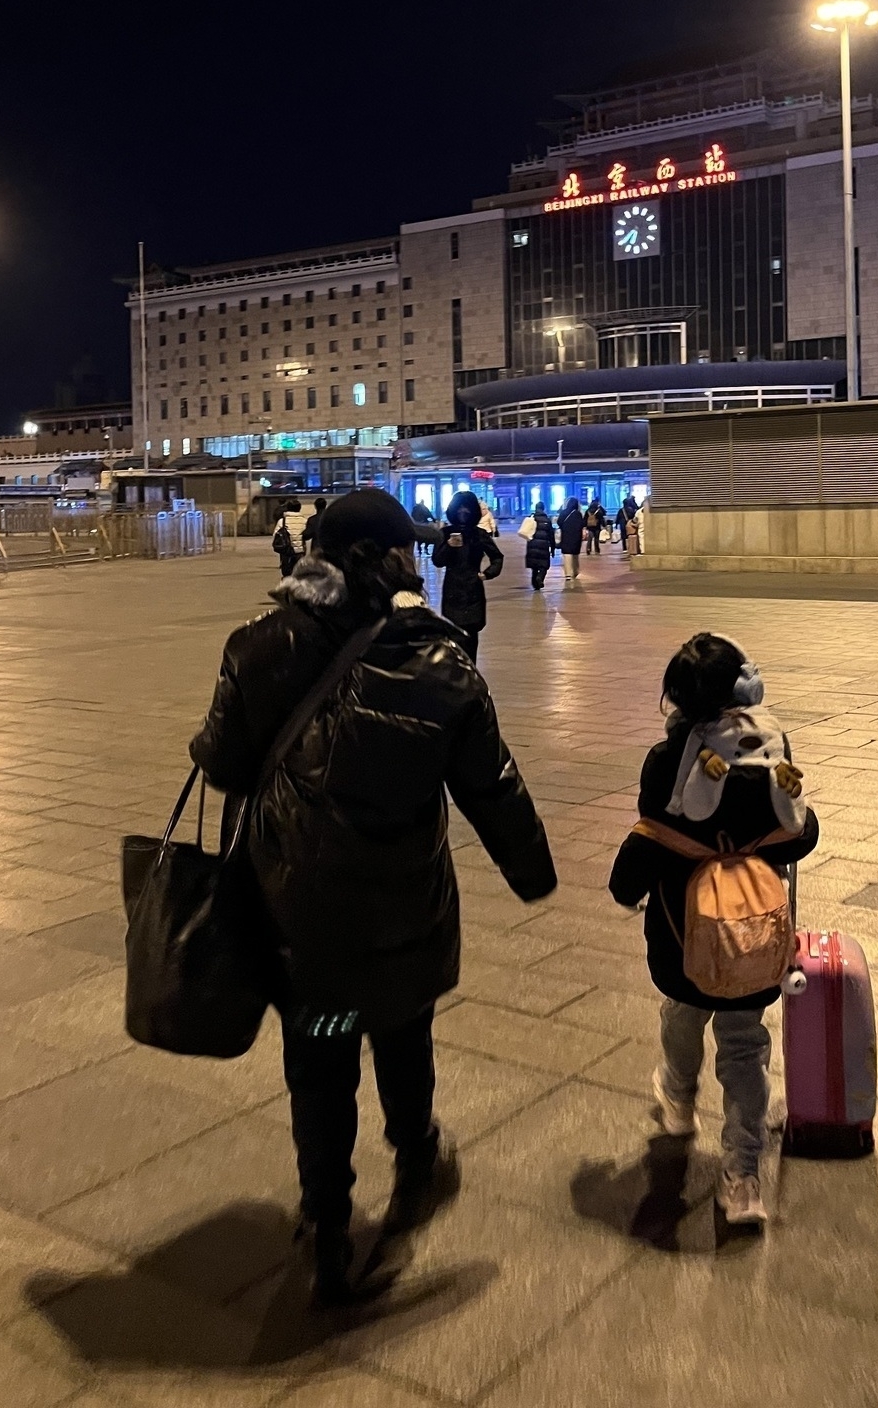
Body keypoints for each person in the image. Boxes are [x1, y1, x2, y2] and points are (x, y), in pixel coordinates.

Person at [190, 488, 557, 1306]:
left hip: (300, 921)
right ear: (390, 560)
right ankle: (417, 1154)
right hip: (402, 911)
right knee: (401, 1030)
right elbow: (491, 787)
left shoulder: (258, 646)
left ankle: (325, 1222)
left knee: (320, 1059)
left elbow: (219, 761)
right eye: (407, 550)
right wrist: (533, 873)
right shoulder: (442, 659)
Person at [607, 632, 818, 1230]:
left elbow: (651, 834)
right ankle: (743, 1176)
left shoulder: (664, 760)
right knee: (745, 1045)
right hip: (752, 933)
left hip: (683, 929)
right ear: (743, 688)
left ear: (677, 697)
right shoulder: (767, 751)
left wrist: (625, 887)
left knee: (682, 1007)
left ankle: (677, 1100)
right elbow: (802, 832)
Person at [431, 490, 503, 663]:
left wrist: (486, 575)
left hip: (473, 592)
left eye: (467, 508)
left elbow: (497, 557)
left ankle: (471, 678)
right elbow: (438, 561)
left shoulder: (479, 534)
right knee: (454, 643)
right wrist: (448, 546)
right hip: (452, 592)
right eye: (459, 508)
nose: (463, 512)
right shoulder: (445, 533)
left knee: (471, 642)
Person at [271, 496, 307, 578]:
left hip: (287, 551)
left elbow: (275, 535)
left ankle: (287, 589)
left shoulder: (283, 521)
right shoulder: (304, 521)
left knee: (287, 574)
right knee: (299, 574)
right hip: (300, 551)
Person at [524, 502, 555, 591]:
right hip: (543, 545)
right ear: (543, 508)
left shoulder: (531, 519)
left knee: (534, 567)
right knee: (543, 565)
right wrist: (552, 548)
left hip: (532, 545)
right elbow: (551, 535)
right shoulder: (547, 520)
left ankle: (535, 585)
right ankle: (540, 577)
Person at [556, 496, 584, 585]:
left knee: (567, 555)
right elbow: (582, 524)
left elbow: (559, 522)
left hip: (566, 536)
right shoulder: (578, 514)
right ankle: (575, 571)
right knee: (575, 555)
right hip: (576, 537)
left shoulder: (563, 513)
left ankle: (568, 574)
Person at [616, 493, 640, 558]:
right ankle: (631, 547)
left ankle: (624, 548)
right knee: (630, 537)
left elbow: (618, 517)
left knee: (623, 537)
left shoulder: (621, 510)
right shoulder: (631, 509)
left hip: (622, 525)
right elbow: (633, 517)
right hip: (629, 525)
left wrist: (616, 524)